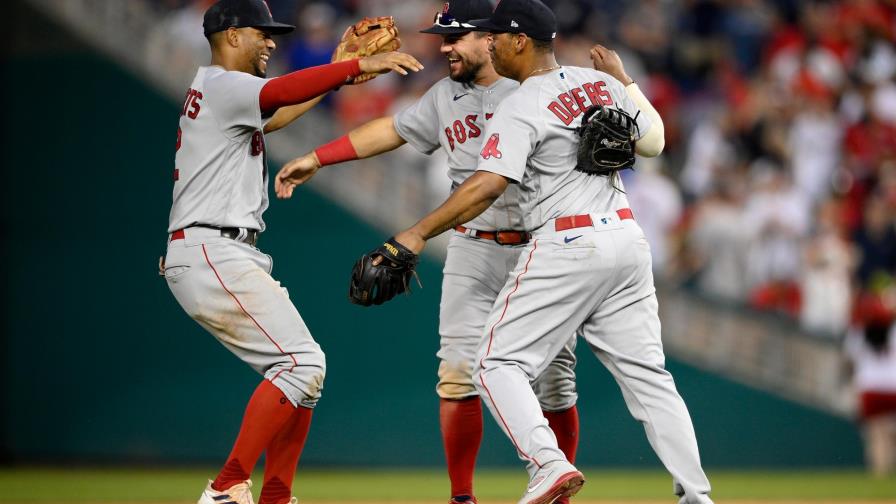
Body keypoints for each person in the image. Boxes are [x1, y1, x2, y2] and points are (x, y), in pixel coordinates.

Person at [352, 0, 714, 502]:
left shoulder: (521, 103)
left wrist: (415, 233)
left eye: (497, 36)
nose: (490, 43)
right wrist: (625, 81)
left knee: (495, 363)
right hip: (626, 239)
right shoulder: (600, 84)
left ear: (519, 41)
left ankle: (546, 465)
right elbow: (653, 143)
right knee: (650, 378)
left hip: (569, 242)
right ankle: (697, 495)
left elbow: (487, 184)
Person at [274, 2, 579, 503]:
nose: (445, 47)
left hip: (540, 247)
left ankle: (559, 493)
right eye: (442, 38)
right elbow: (393, 129)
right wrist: (317, 157)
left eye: (455, 37)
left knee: (555, 385)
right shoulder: (444, 95)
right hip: (473, 246)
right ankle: (462, 497)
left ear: (491, 38)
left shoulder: (536, 89)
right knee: (456, 373)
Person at [160, 2, 422, 504]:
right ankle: (225, 487)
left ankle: (276, 495)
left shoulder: (223, 93)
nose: (271, 42)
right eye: (262, 33)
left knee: (304, 372)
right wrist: (355, 66)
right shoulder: (223, 84)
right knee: (301, 365)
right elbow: (279, 93)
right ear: (231, 36)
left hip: (215, 248)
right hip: (212, 247)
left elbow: (276, 115)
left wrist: (336, 78)